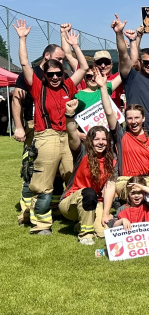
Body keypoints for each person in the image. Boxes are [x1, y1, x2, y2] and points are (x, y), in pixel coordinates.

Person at [13, 19, 89, 235]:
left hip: (67, 136)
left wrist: (74, 45)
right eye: (51, 74)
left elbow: (83, 67)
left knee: (74, 176)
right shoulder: (37, 87)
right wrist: (22, 38)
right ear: (44, 75)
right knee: (43, 184)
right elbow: (26, 64)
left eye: (58, 74)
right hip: (45, 136)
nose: (55, 78)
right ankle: (41, 224)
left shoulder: (68, 84)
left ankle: (78, 216)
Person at [13, 42, 67, 225]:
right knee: (32, 168)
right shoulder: (32, 75)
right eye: (59, 58)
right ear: (47, 56)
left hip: (58, 131)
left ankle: (54, 208)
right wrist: (19, 126)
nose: (60, 64)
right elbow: (16, 99)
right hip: (33, 127)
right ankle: (27, 210)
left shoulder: (61, 77)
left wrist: (65, 37)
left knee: (58, 171)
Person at [98, 68, 149, 200]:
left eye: (137, 118)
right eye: (130, 118)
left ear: (143, 118)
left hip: (146, 180)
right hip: (126, 180)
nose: (133, 122)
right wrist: (103, 87)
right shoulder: (121, 135)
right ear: (125, 119)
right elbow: (109, 112)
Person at [60, 100, 116, 245]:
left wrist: (105, 214)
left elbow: (110, 187)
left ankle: (81, 224)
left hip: (93, 202)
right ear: (90, 141)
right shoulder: (81, 152)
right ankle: (85, 235)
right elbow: (72, 133)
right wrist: (70, 115)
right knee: (89, 192)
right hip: (70, 202)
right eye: (96, 139)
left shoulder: (112, 160)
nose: (101, 142)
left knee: (104, 233)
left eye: (104, 139)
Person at [112, 13, 149, 131]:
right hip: (136, 130)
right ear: (140, 62)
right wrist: (119, 34)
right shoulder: (132, 76)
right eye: (146, 62)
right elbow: (123, 55)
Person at [94, 176, 149, 258]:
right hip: (128, 243)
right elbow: (112, 225)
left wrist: (142, 187)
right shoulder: (122, 209)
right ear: (128, 194)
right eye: (133, 193)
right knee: (117, 248)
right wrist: (122, 220)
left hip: (146, 241)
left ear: (144, 193)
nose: (137, 196)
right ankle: (107, 251)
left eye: (140, 193)